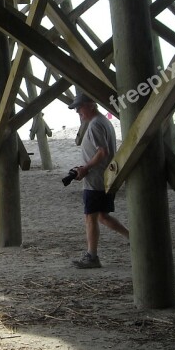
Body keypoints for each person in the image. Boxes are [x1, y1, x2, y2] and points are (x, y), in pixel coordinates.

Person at [68, 93, 129, 269]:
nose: (78, 111)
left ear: (91, 105)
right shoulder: (103, 122)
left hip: (96, 178)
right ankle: (134, 238)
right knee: (101, 216)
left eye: (80, 107)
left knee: (91, 217)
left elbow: (102, 152)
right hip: (103, 176)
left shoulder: (95, 124)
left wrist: (85, 168)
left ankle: (92, 256)